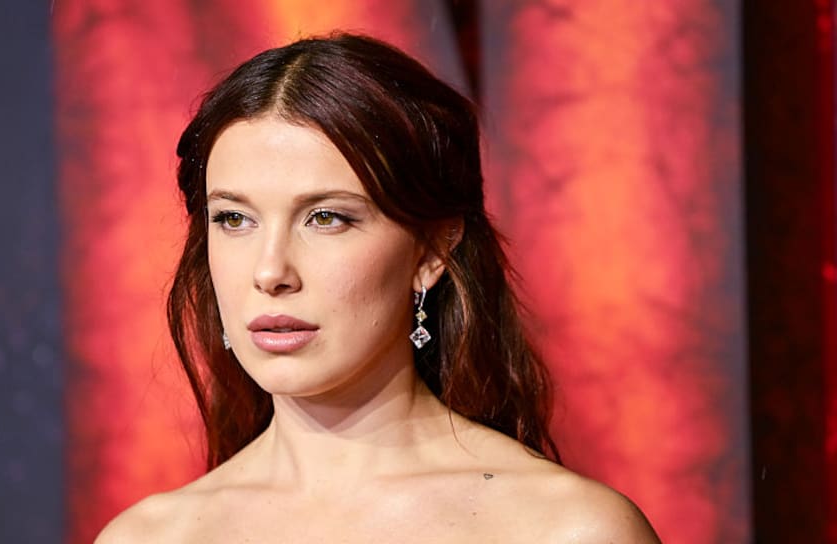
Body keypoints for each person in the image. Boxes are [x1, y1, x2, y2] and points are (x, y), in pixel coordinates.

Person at [97, 33, 660, 543]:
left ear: (432, 250)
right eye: (234, 219)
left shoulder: (567, 530)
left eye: (326, 218)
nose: (269, 272)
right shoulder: (148, 538)